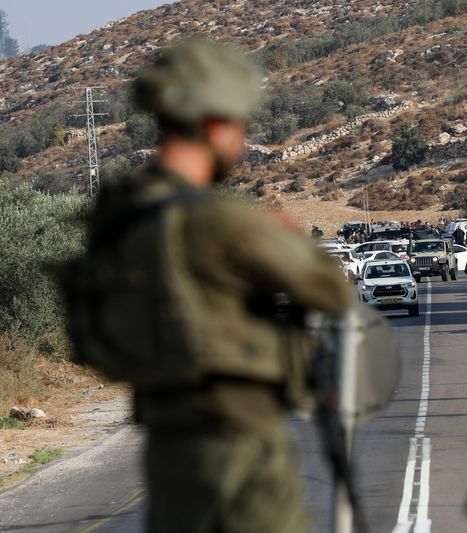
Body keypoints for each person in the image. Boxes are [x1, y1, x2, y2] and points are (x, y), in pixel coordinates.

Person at [72, 40, 352, 533]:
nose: (241, 144)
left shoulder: (118, 222)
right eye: (238, 127)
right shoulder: (220, 221)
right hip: (240, 440)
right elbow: (330, 290)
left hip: (165, 441)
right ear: (215, 125)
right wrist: (288, 238)